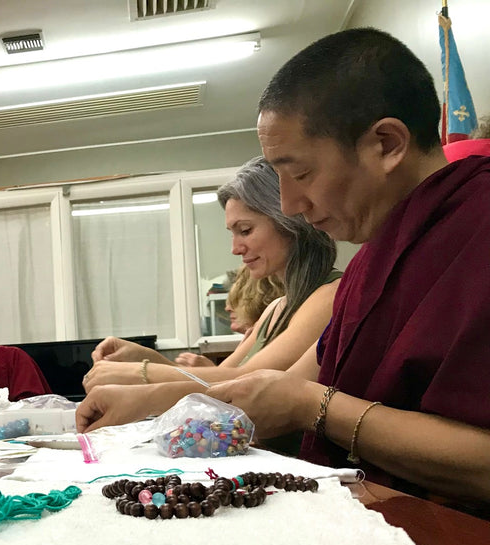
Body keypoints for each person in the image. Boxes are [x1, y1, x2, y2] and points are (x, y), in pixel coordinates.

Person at [86, 28, 490, 508]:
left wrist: (310, 408)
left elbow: (302, 395)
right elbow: (288, 381)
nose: (290, 204)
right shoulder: (370, 262)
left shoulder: (477, 226)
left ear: (386, 144)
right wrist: (149, 402)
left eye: (301, 174)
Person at [80, 156, 340, 414]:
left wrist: (140, 372)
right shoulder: (275, 309)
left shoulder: (329, 295)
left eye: (246, 230)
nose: (236, 248)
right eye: (233, 233)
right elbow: (217, 377)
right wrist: (143, 357)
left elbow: (243, 380)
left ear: (289, 222)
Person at [176, 267, 285, 367]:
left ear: (262, 299)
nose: (227, 308)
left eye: (238, 299)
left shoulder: (272, 339)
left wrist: (210, 371)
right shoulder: (254, 337)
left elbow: (238, 380)